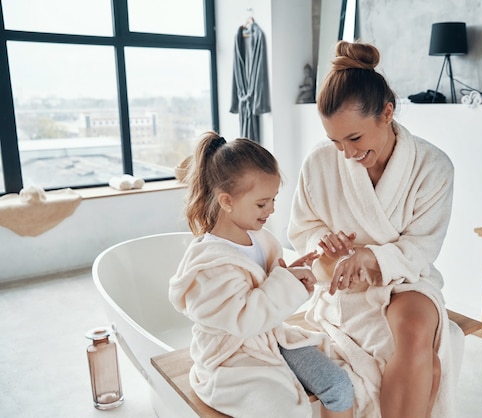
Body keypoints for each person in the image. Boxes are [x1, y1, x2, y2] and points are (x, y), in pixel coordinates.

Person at [288, 41, 456, 418]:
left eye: (355, 138)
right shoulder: (319, 163)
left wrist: (372, 256)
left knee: (414, 333)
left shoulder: (433, 167)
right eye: (335, 141)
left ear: (387, 113)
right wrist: (325, 246)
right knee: (428, 367)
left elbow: (422, 248)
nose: (346, 154)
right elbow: (303, 229)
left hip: (404, 278)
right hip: (344, 283)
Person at [169, 132, 354, 418]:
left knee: (340, 387)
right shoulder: (207, 264)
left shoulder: (262, 240)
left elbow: (270, 295)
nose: (271, 209)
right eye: (261, 203)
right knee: (285, 409)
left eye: (273, 200)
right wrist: (285, 282)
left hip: (273, 338)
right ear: (227, 201)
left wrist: (292, 275)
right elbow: (245, 319)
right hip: (231, 354)